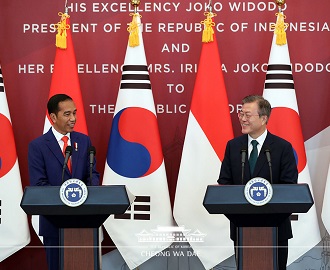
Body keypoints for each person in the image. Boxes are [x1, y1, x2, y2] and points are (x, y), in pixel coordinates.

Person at [217, 95, 298, 270]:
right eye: (241, 113)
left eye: (247, 115)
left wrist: (267, 220)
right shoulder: (233, 146)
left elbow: (289, 189)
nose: (242, 118)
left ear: (263, 118)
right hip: (242, 228)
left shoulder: (283, 147)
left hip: (276, 229)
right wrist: (241, 219)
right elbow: (224, 184)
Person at [28, 93, 100, 270]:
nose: (73, 118)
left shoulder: (83, 141)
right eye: (67, 114)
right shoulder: (38, 146)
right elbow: (39, 184)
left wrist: (91, 192)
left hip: (84, 222)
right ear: (53, 117)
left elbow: (93, 174)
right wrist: (66, 198)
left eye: (75, 113)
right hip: (54, 223)